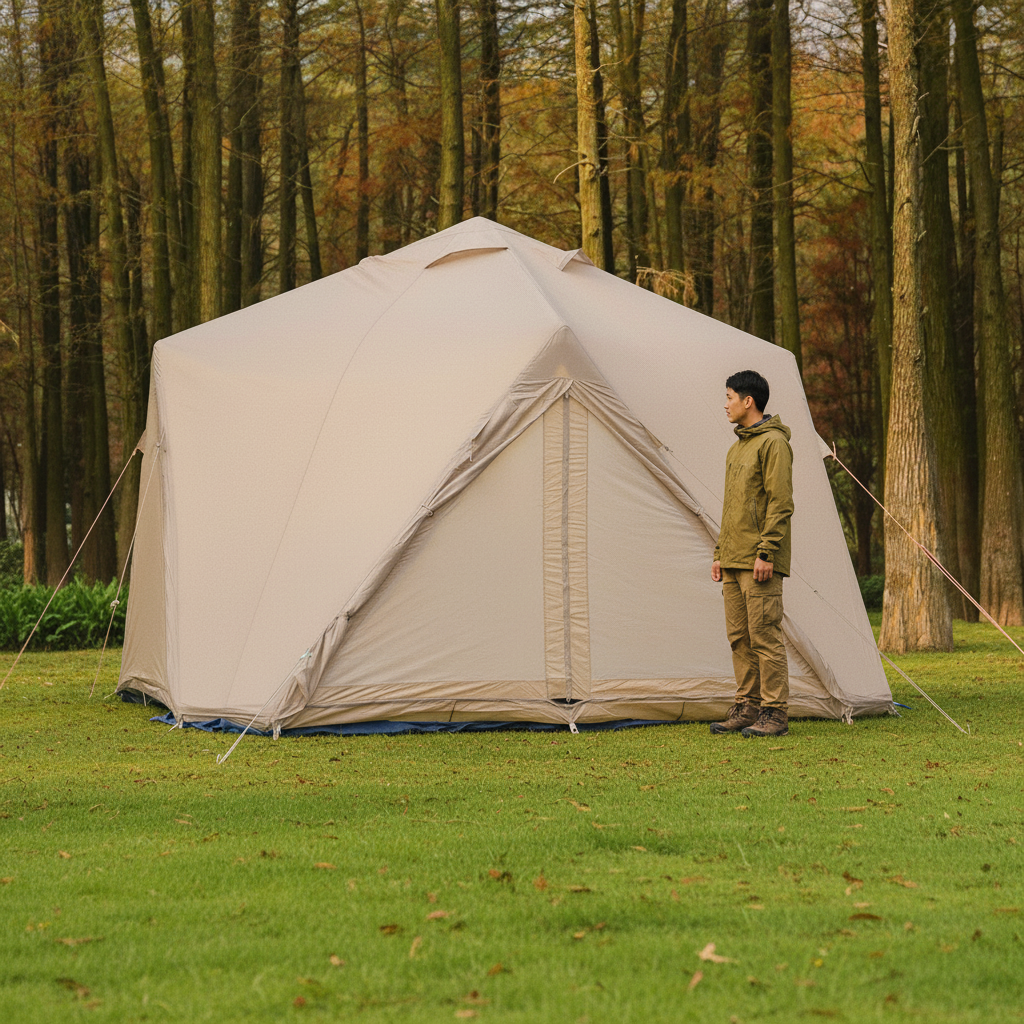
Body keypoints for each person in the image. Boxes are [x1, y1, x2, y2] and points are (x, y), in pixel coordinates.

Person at [709, 370, 794, 738]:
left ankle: (775, 713)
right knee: (739, 638)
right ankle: (747, 707)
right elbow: (733, 507)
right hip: (733, 559)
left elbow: (781, 503)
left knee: (765, 636)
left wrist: (767, 552)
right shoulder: (737, 447)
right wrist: (719, 552)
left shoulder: (773, 443)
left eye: (729, 397)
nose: (725, 404)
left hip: (759, 560)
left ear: (748, 401)